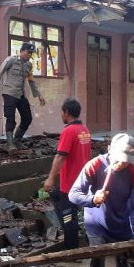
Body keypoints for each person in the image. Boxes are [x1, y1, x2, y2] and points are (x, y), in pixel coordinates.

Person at [69, 133, 134, 267]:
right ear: (110, 150)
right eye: (120, 159)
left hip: (122, 224)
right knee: (97, 257)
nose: (123, 164)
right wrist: (93, 199)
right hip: (96, 222)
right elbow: (73, 194)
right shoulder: (95, 166)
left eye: (127, 161)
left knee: (127, 261)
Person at [42, 98, 91, 249]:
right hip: (82, 180)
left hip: (70, 183)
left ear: (67, 112)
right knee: (58, 199)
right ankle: (73, 239)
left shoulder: (69, 131)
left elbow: (60, 156)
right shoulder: (84, 130)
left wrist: (50, 179)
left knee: (69, 216)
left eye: (62, 112)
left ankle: (71, 249)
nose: (61, 115)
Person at [0, 42, 46, 151]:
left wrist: (38, 95)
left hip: (20, 95)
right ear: (21, 51)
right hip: (9, 93)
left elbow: (31, 81)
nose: (29, 55)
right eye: (28, 52)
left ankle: (17, 141)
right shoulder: (10, 60)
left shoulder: (28, 65)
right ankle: (10, 145)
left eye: (31, 53)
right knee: (10, 119)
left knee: (27, 118)